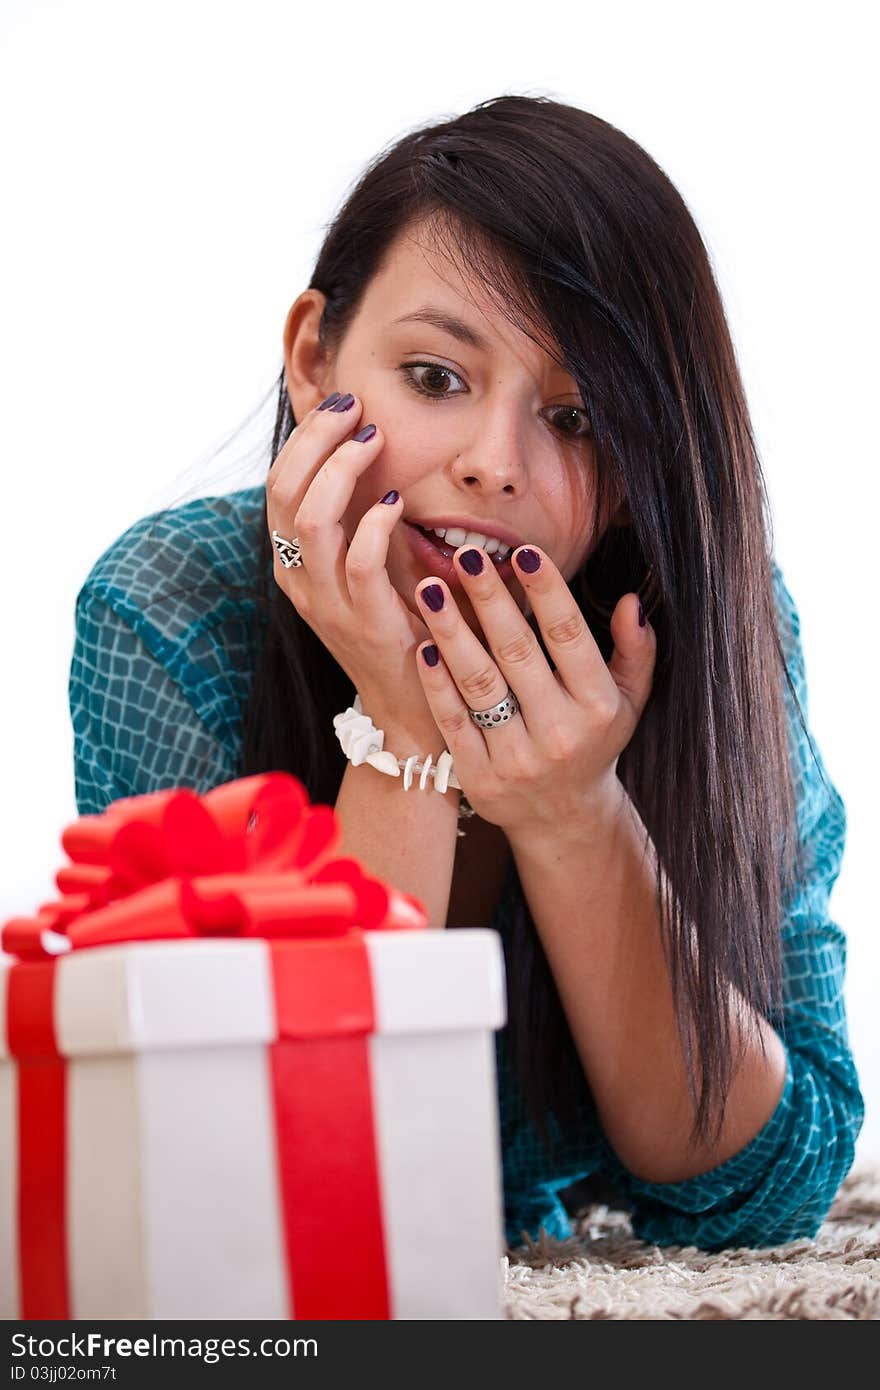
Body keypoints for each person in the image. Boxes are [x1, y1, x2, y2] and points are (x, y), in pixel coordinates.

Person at [68, 94, 863, 1251]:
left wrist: (570, 810)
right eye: (436, 378)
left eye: (579, 415)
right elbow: (253, 1179)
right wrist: (402, 724)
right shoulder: (175, 612)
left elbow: (774, 1184)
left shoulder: (711, 622)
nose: (497, 464)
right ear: (313, 358)